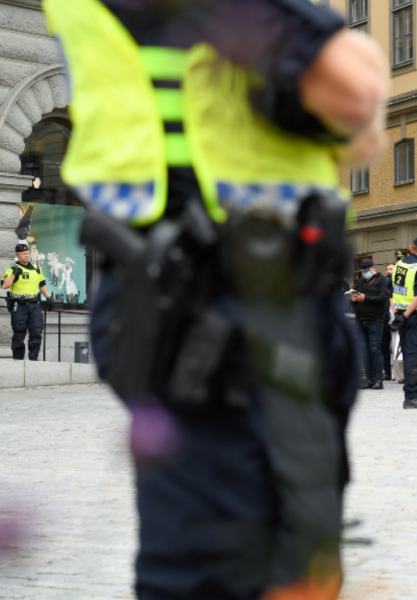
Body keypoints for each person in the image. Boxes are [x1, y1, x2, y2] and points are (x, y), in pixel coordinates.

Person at [48, 0, 388, 596]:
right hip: (224, 298)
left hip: (192, 290)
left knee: (265, 555)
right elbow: (355, 97)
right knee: (240, 563)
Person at [390, 237, 417, 410]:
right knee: (415, 356)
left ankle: (411, 394)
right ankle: (412, 396)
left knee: (408, 353)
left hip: (401, 315)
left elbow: (392, 292)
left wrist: (398, 315)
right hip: (414, 316)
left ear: (410, 248)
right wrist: (407, 315)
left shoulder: (399, 265)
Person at [2, 242, 52, 361]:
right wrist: (15, 274)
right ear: (17, 255)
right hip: (19, 305)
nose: (26, 255)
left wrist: (48, 298)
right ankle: (18, 360)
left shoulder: (36, 268)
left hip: (34, 304)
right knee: (19, 334)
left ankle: (33, 359)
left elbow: (42, 284)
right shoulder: (13, 268)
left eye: (27, 253)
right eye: (23, 253)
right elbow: (4, 285)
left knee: (37, 331)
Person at [352, 258, 390, 390]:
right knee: (365, 351)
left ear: (373, 268)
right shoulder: (360, 282)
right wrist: (353, 299)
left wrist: (365, 298)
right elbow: (355, 301)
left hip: (375, 320)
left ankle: (379, 379)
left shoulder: (382, 280)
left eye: (366, 270)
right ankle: (370, 378)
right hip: (361, 319)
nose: (364, 273)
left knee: (375, 350)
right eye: (362, 271)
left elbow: (383, 298)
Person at [382, 263, 395, 380]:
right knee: (385, 346)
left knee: (397, 346)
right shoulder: (385, 284)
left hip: (396, 317)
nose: (389, 271)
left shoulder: (397, 284)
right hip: (386, 318)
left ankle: (399, 373)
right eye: (387, 269)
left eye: (391, 269)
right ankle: (387, 372)